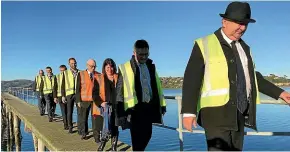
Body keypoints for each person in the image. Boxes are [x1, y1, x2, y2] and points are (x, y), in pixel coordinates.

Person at [181, 2, 290, 151]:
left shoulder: (244, 48)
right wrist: (188, 112)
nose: (243, 28)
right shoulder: (203, 44)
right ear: (224, 22)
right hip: (215, 116)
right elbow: (191, 79)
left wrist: (280, 93)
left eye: (245, 23)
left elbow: (253, 77)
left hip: (239, 115)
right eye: (239, 23)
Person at [116, 39, 167, 151]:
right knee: (137, 140)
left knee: (148, 135)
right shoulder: (125, 67)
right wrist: (120, 115)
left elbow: (157, 88)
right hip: (134, 110)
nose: (144, 57)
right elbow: (119, 91)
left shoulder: (151, 66)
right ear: (134, 53)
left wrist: (162, 106)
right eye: (141, 54)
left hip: (149, 107)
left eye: (146, 54)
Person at [91, 58, 119, 150]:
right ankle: (103, 142)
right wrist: (101, 103)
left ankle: (114, 146)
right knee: (107, 123)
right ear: (104, 67)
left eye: (111, 67)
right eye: (107, 67)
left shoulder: (118, 77)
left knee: (115, 126)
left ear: (114, 67)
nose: (109, 69)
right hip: (105, 106)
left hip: (116, 106)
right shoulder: (99, 78)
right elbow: (94, 94)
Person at [75, 59, 101, 140]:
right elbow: (78, 88)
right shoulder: (81, 74)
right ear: (87, 65)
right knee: (83, 118)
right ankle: (84, 133)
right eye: (91, 66)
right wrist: (78, 100)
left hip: (95, 101)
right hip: (84, 100)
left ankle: (97, 137)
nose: (93, 68)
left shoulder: (98, 74)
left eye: (94, 66)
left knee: (96, 119)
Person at [61, 58, 80, 133]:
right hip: (69, 95)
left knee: (79, 111)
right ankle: (70, 127)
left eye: (75, 63)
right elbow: (63, 85)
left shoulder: (80, 72)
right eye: (72, 63)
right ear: (69, 64)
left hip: (78, 94)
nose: (74, 64)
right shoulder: (65, 73)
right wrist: (63, 96)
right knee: (69, 111)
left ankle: (80, 127)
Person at [53, 65, 68, 130]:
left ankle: (68, 123)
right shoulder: (57, 76)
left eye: (63, 70)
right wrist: (55, 97)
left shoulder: (69, 76)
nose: (62, 72)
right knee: (63, 111)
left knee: (69, 111)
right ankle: (65, 124)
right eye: (61, 70)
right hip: (59, 96)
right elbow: (55, 87)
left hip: (68, 95)